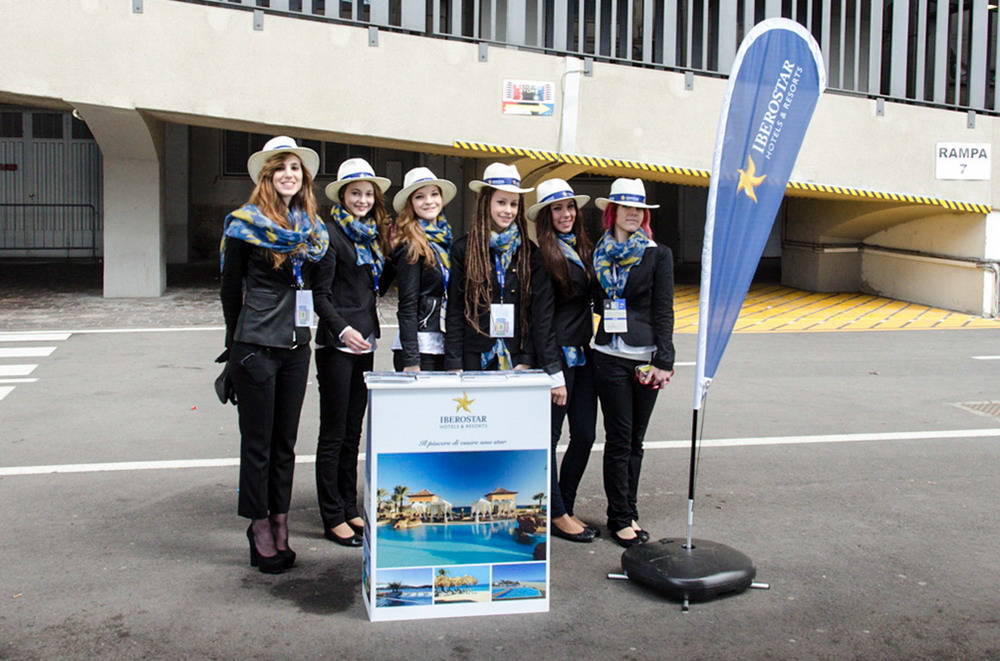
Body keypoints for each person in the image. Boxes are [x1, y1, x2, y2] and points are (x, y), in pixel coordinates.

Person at [219, 136, 331, 573]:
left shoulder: (313, 230)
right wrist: (234, 346)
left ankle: (281, 519)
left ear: (304, 177)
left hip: (296, 346)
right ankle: (259, 525)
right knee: (258, 444)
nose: (289, 174)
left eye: (295, 168)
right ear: (267, 176)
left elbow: (319, 286)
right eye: (280, 168)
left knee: (285, 443)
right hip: (256, 346)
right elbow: (230, 290)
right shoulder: (244, 225)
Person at [591, 178, 675, 548]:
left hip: (644, 359)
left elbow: (664, 309)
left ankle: (629, 509)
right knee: (619, 438)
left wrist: (664, 359)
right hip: (608, 356)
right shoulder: (599, 253)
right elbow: (594, 301)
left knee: (635, 441)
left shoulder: (658, 254)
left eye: (639, 208)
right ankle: (619, 518)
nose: (634, 214)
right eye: (626, 207)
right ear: (613, 211)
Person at [314, 157, 391, 547]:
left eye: (368, 194)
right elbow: (320, 295)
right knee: (333, 432)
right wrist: (342, 329)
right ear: (342, 196)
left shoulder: (373, 236)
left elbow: (378, 287)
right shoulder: (329, 235)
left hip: (366, 340)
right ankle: (332, 515)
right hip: (337, 344)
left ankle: (348, 505)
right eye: (355, 193)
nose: (362, 200)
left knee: (353, 431)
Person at [528, 178, 599, 543]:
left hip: (584, 354)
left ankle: (565, 504)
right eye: (557, 209)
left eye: (570, 207)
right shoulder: (543, 256)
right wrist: (553, 373)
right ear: (546, 215)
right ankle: (556, 513)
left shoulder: (584, 248)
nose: (566, 214)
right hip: (558, 357)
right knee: (550, 438)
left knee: (585, 434)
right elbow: (540, 320)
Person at [445, 163, 534, 371]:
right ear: (486, 203)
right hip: (475, 353)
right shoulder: (463, 249)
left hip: (516, 354)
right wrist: (454, 362)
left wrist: (527, 358)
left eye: (514, 204)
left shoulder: (528, 251)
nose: (508, 210)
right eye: (501, 202)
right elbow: (455, 309)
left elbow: (534, 312)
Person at [389, 167, 457, 372]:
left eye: (434, 194)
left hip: (444, 343)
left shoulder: (446, 240)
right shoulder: (410, 246)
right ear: (410, 203)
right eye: (420, 196)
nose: (429, 201)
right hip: (420, 349)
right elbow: (407, 306)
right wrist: (411, 360)